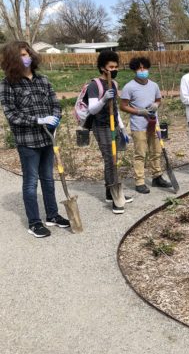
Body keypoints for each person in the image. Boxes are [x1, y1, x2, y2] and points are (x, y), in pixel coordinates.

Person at [0, 41, 70, 237]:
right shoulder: (7, 85)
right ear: (13, 60)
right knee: (31, 182)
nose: (27, 57)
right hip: (28, 142)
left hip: (48, 139)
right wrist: (38, 120)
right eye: (22, 55)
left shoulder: (43, 80)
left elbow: (55, 104)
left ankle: (53, 215)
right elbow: (12, 114)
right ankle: (34, 222)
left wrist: (55, 118)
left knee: (48, 179)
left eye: (28, 53)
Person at [85, 50, 133, 214]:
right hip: (101, 126)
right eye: (111, 67)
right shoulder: (94, 85)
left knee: (115, 157)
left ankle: (110, 191)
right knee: (110, 158)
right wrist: (104, 98)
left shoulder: (115, 84)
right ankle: (114, 195)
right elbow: (92, 109)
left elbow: (116, 110)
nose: (114, 69)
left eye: (116, 66)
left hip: (113, 125)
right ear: (102, 68)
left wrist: (122, 127)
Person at [120, 56, 171, 193]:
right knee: (140, 154)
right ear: (134, 70)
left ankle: (157, 177)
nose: (142, 70)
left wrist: (156, 105)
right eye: (139, 68)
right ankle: (140, 181)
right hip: (139, 125)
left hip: (154, 124)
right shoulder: (129, 87)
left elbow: (158, 99)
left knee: (156, 151)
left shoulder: (154, 85)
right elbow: (123, 106)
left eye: (144, 68)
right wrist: (139, 111)